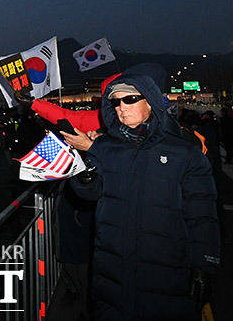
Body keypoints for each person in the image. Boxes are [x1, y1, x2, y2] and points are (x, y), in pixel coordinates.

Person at [63, 66, 220, 320]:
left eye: (130, 99)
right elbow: (89, 193)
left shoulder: (184, 152)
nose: (121, 106)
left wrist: (205, 264)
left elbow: (202, 214)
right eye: (115, 101)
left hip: (167, 276)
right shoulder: (103, 147)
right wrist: (83, 176)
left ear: (151, 101)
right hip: (112, 276)